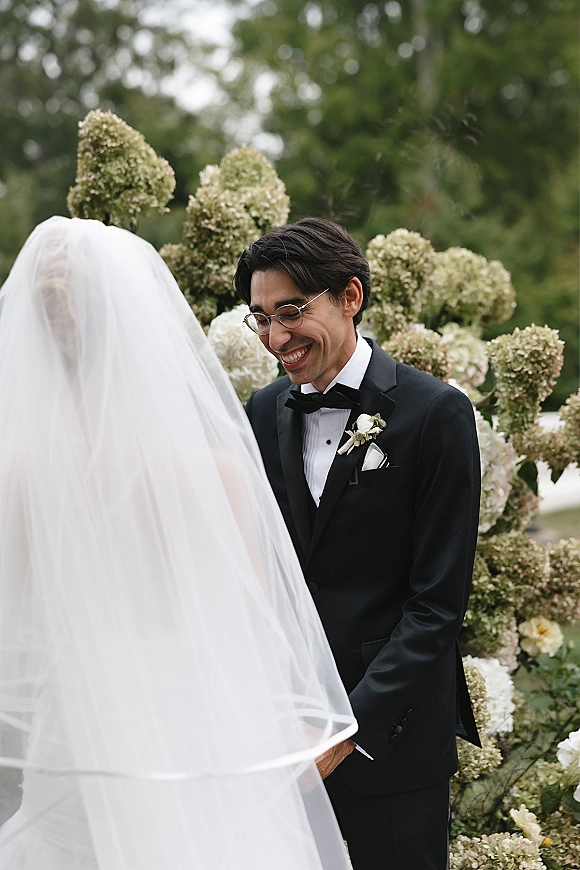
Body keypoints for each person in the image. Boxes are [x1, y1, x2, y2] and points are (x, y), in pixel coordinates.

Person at [0, 216, 358, 869]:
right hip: (196, 759)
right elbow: (253, 642)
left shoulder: (18, 471)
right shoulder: (214, 470)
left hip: (72, 753)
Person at [235, 217, 482, 870]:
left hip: (391, 738)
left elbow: (437, 603)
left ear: (350, 296)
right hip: (282, 735)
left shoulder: (436, 414)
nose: (275, 337)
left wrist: (344, 731)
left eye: (290, 311)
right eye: (259, 318)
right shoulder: (262, 412)